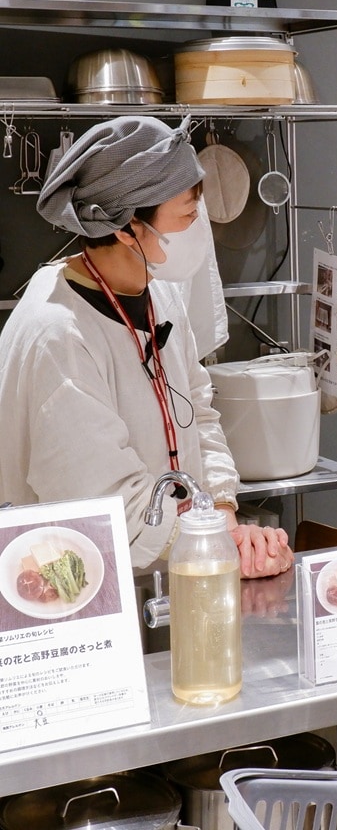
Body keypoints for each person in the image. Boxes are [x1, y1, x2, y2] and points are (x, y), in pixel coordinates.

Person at [0, 116, 293, 578]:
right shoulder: (58, 334)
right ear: (125, 228)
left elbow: (199, 410)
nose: (200, 229)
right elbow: (99, 492)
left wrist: (222, 513)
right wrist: (215, 545)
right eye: (187, 216)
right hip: (85, 582)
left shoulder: (159, 291)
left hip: (177, 562)